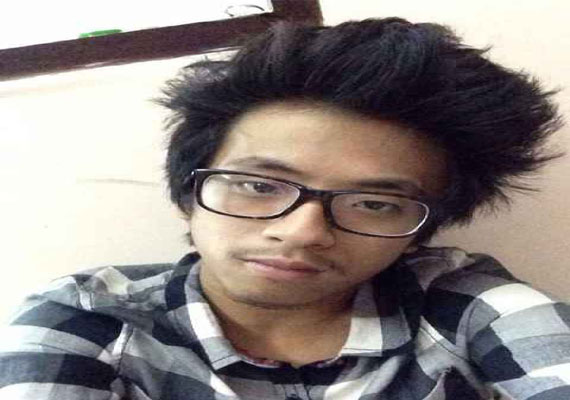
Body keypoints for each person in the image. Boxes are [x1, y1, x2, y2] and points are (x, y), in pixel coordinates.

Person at [1, 17, 568, 400]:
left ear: (421, 231)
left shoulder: (465, 309)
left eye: (374, 203)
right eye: (258, 186)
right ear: (187, 193)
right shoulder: (89, 319)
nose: (302, 233)